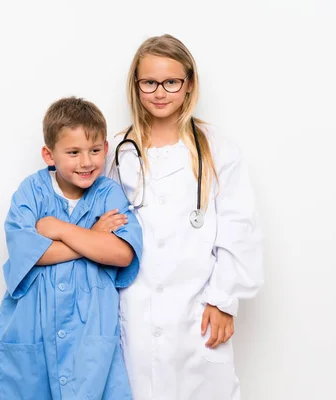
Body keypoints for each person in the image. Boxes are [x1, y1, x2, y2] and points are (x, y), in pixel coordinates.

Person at [106, 34, 264, 399]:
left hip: (197, 311)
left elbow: (239, 226)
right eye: (149, 82)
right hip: (132, 310)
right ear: (136, 85)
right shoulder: (116, 150)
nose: (160, 92)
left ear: (189, 83)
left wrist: (224, 300)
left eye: (171, 82)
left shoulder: (217, 148)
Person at [0, 97, 142, 400]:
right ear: (49, 154)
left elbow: (122, 253)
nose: (86, 162)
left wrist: (59, 230)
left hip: (91, 335)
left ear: (106, 149)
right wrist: (92, 238)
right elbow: (27, 255)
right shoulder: (30, 192)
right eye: (73, 152)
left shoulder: (110, 193)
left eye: (95, 150)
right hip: (33, 329)